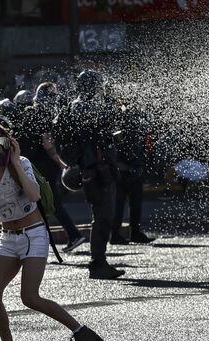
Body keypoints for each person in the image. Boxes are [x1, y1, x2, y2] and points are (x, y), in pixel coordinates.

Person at [0, 121, 104, 341]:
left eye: (2, 142)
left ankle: (83, 334)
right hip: (8, 237)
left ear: (10, 144)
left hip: (34, 234)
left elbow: (35, 195)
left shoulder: (22, 163)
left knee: (29, 297)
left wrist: (15, 162)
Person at [0, 87, 87, 253]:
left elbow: (45, 143)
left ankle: (69, 235)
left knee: (48, 203)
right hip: (43, 166)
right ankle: (52, 239)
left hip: (41, 168)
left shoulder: (30, 119)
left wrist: (60, 163)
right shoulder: (38, 116)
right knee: (43, 204)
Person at [53, 70, 122, 279]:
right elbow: (94, 133)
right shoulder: (84, 108)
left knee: (102, 217)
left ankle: (99, 261)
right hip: (96, 170)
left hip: (95, 169)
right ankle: (97, 263)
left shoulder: (77, 107)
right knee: (103, 217)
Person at [110, 95, 155, 245]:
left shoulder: (129, 121)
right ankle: (117, 234)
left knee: (132, 203)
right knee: (121, 203)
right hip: (123, 169)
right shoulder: (121, 123)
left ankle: (132, 232)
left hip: (130, 167)